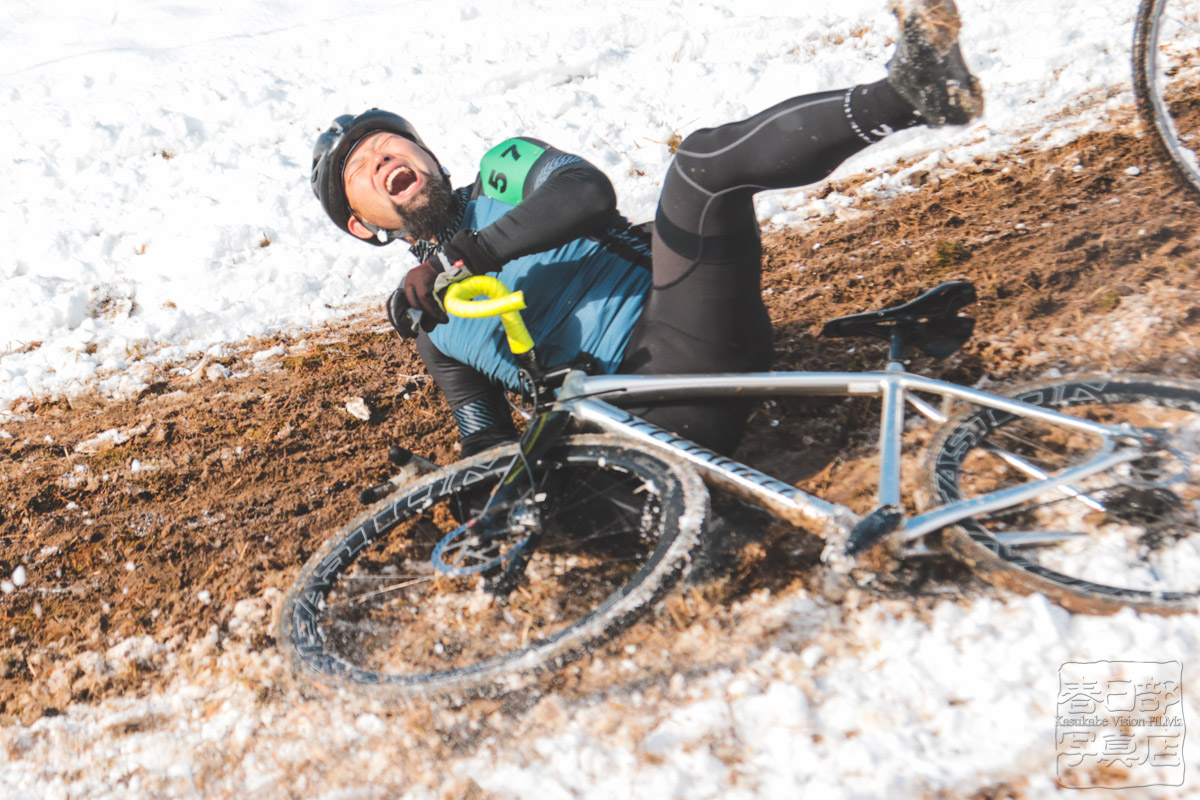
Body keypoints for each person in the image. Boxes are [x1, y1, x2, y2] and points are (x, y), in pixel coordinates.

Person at [310, 0, 983, 458]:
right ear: (363, 226)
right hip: (633, 437)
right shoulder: (429, 321)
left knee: (697, 168)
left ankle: (912, 91)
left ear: (427, 155)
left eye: (391, 144)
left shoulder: (503, 172)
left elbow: (586, 194)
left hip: (687, 341)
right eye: (361, 170)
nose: (382, 158)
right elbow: (483, 432)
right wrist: (460, 478)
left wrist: (468, 254)